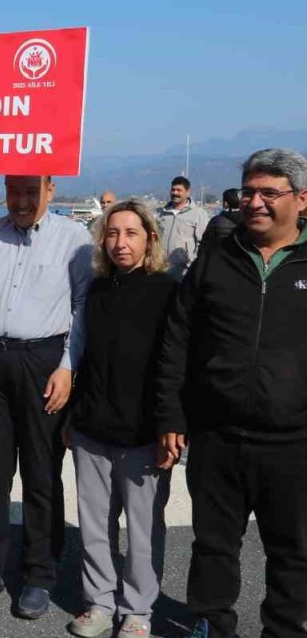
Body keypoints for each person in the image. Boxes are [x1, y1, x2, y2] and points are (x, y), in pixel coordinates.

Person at [155, 148, 307, 638]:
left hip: (294, 441)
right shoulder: (216, 259)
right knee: (214, 545)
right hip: (216, 434)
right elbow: (178, 339)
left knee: (293, 549)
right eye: (248, 192)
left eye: (269, 193)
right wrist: (171, 415)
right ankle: (211, 623)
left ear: (302, 199)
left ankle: (284, 628)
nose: (255, 202)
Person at [0, 175, 95, 619]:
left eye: (33, 191)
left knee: (41, 472)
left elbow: (83, 307)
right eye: (14, 191)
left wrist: (69, 367)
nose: (22, 200)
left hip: (43, 360)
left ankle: (39, 573)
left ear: (50, 190)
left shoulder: (73, 238)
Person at [64, 201, 176, 638]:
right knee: (94, 524)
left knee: (145, 529)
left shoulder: (167, 290)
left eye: (131, 233)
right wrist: (75, 416)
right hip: (93, 425)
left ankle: (138, 611)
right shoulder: (96, 289)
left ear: (149, 238)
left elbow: (174, 363)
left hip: (144, 431)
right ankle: (98, 603)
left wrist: (171, 423)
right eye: (112, 233)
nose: (120, 242)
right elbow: (86, 357)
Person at [157, 176, 207, 278]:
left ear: (187, 192)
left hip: (184, 271)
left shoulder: (198, 214)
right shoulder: (162, 213)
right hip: (161, 268)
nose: (175, 193)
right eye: (173, 189)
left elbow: (203, 242)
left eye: (179, 190)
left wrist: (193, 262)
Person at [199, 188, 242, 254]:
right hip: (241, 259)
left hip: (220, 258)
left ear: (226, 203)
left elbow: (205, 244)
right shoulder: (248, 221)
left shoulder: (216, 221)